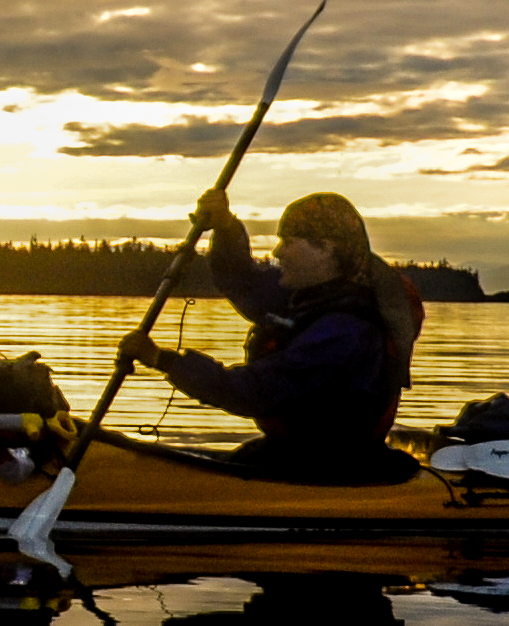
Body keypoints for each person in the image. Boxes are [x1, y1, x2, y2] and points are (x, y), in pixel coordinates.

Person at [116, 188, 424, 482]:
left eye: (289, 241)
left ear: (328, 249)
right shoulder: (307, 297)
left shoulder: (348, 331)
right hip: (289, 456)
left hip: (330, 467)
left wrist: (162, 360)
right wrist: (225, 227)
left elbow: (253, 391)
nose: (278, 251)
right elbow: (244, 282)